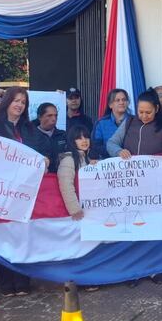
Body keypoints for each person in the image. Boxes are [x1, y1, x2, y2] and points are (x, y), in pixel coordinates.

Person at [107, 89, 162, 286]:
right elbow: (111, 143)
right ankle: (133, 272)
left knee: (152, 230)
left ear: (157, 109)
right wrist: (119, 151)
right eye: (140, 111)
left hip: (156, 189)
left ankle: (153, 269)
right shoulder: (128, 123)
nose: (143, 116)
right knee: (132, 229)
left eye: (148, 112)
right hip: (129, 188)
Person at [0, 87, 42, 296]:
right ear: (7, 102)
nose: (19, 105)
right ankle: (6, 282)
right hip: (2, 192)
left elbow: (39, 152)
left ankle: (23, 280)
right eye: (16, 101)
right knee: (5, 235)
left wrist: (44, 159)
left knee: (23, 235)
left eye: (23, 102)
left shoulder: (30, 128)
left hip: (25, 192)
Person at [57, 123, 101, 292]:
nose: (84, 141)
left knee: (90, 247)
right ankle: (78, 280)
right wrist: (74, 209)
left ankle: (88, 278)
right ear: (72, 141)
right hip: (78, 213)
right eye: (79, 138)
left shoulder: (92, 157)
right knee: (78, 248)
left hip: (92, 211)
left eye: (86, 137)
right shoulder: (69, 159)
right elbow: (65, 184)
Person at [92, 88, 131, 158]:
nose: (121, 102)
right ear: (110, 105)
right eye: (117, 100)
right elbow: (96, 146)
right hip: (108, 164)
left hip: (131, 161)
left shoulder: (134, 121)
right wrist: (116, 152)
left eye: (124, 100)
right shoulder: (101, 123)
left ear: (127, 103)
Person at [34, 103, 67, 173]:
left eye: (56, 115)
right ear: (39, 117)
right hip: (38, 179)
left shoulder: (63, 135)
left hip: (60, 179)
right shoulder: (30, 136)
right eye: (49, 115)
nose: (54, 119)